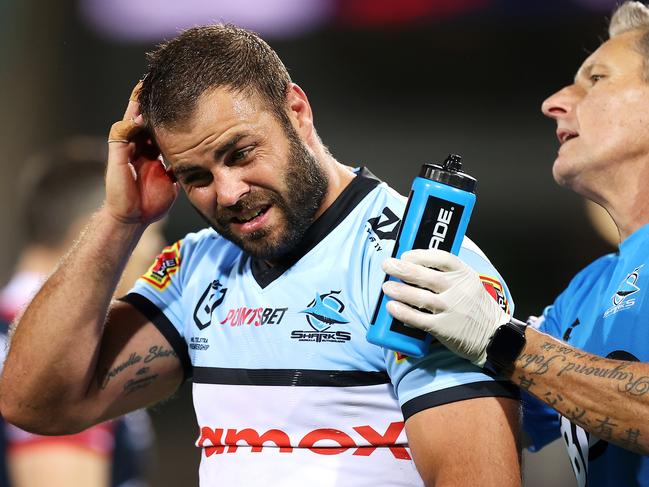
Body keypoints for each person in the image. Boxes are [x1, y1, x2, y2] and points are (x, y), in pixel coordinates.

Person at [0, 25, 521, 487]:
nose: (227, 193)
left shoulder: (417, 262)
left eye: (240, 154)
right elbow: (34, 403)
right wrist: (121, 219)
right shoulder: (195, 269)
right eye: (196, 177)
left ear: (297, 111)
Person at [377, 1, 649, 486]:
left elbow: (508, 347)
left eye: (598, 79)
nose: (554, 102)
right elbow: (478, 409)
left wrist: (500, 340)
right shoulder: (588, 289)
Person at [0, 137, 158, 487]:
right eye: (150, 229)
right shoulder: (63, 350)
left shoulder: (14, 331)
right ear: (98, 228)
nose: (157, 251)